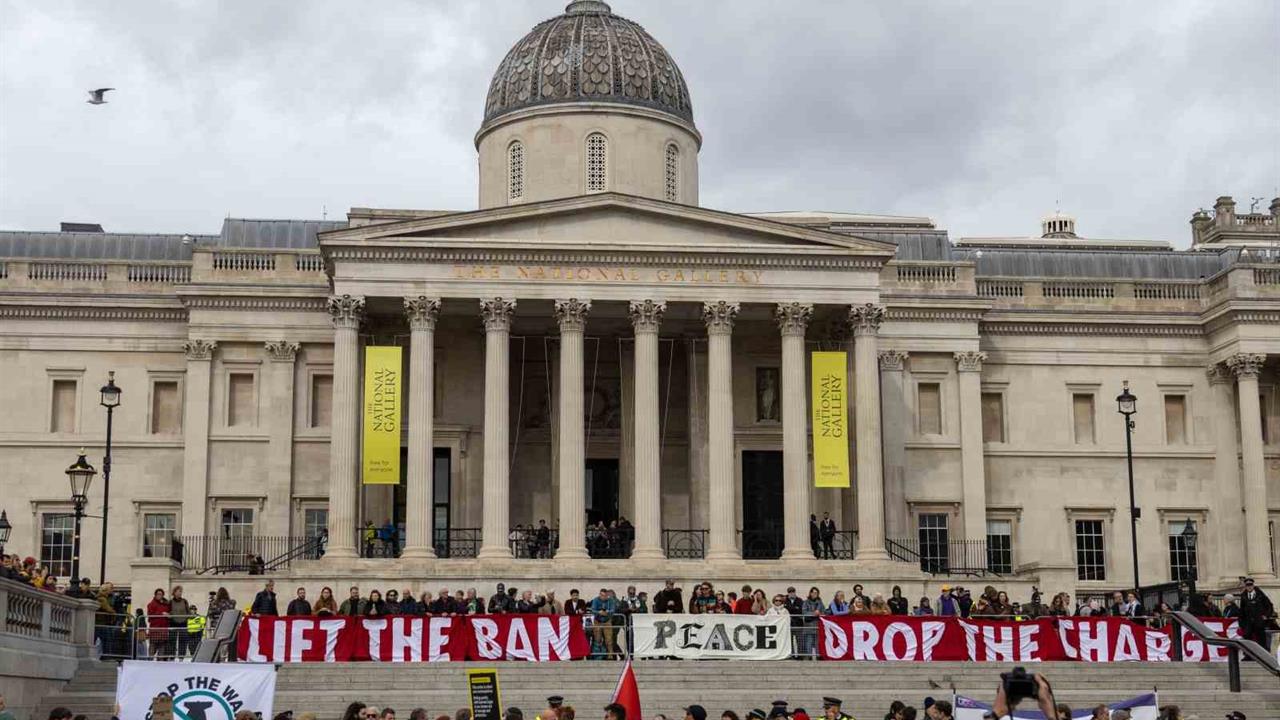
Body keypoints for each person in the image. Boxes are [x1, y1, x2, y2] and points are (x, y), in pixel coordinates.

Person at [1239, 577, 1274, 647]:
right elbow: (1242, 610)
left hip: (1259, 621)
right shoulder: (1243, 596)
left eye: (1250, 584)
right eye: (1247, 585)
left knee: (1261, 640)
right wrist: (1242, 623)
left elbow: (1269, 605)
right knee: (1247, 640)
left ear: (1253, 585)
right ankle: (1248, 655)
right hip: (1248, 623)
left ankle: (1262, 655)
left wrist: (1266, 616)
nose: (1249, 587)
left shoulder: (1260, 595)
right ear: (1245, 586)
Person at [589, 587, 619, 657]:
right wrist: (599, 612)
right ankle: (597, 655)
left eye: (605, 596)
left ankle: (610, 654)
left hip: (607, 621)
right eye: (601, 595)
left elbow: (613, 610)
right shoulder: (595, 600)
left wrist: (607, 612)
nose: (603, 597)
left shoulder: (610, 600)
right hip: (597, 621)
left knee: (609, 639)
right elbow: (593, 610)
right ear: (599, 594)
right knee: (597, 639)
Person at [146, 588, 172, 659]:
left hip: (163, 630)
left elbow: (170, 613)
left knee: (161, 651)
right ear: (155, 595)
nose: (159, 595)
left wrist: (169, 615)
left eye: (161, 594)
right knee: (152, 650)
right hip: (154, 630)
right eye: (158, 594)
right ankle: (149, 664)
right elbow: (150, 615)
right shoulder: (151, 604)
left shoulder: (166, 604)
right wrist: (161, 614)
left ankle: (159, 664)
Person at [169, 586, 195, 657]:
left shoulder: (184, 601)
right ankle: (172, 656)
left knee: (183, 641)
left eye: (180, 591)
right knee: (172, 641)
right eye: (178, 591)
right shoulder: (171, 602)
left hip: (183, 623)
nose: (180, 593)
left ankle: (181, 657)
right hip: (173, 623)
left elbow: (188, 611)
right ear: (174, 592)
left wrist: (191, 615)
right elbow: (169, 611)